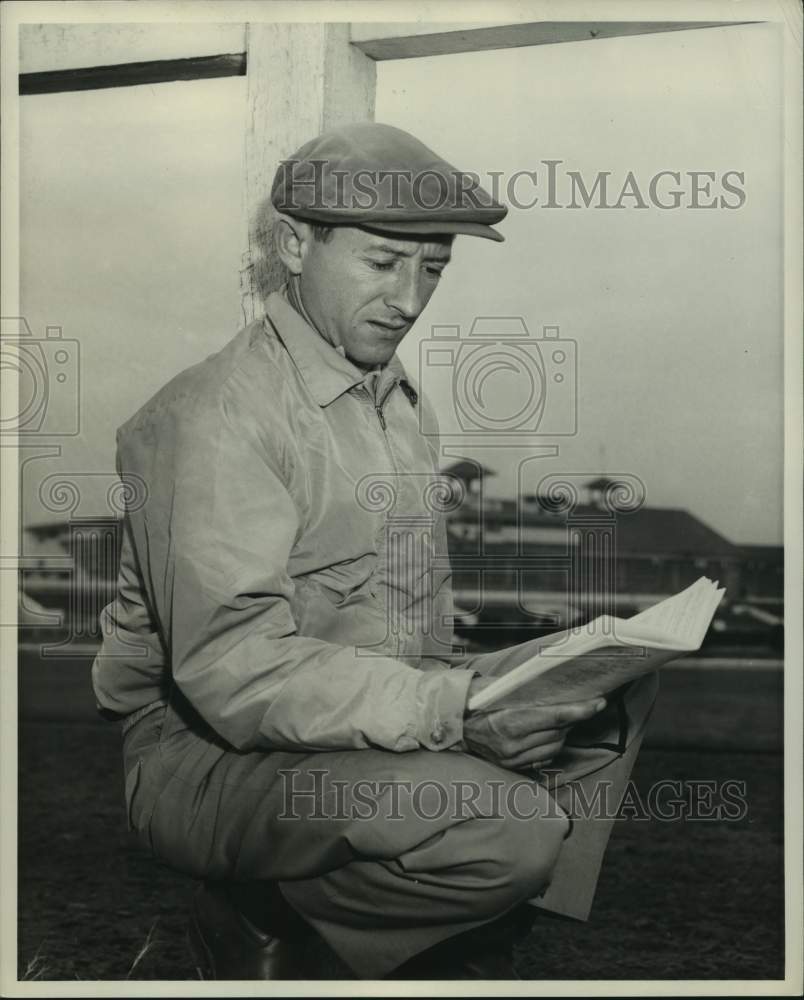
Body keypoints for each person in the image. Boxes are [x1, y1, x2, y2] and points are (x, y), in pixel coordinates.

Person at [91, 122, 658, 981]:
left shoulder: (392, 403)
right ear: (292, 244)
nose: (409, 297)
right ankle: (266, 913)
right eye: (383, 261)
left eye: (433, 268)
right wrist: (457, 714)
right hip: (204, 757)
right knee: (509, 830)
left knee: (618, 674)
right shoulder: (214, 417)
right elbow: (235, 674)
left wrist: (497, 688)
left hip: (331, 732)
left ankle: (441, 925)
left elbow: (408, 634)